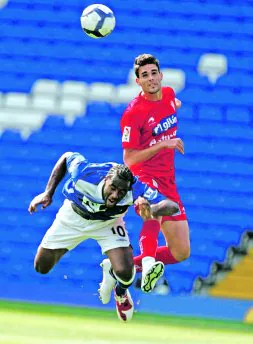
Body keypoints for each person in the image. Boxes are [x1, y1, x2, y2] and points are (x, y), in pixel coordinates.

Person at [28, 151, 179, 321]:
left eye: (121, 191)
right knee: (42, 267)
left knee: (125, 272)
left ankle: (120, 292)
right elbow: (66, 156)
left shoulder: (135, 187)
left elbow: (173, 206)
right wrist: (48, 193)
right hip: (72, 218)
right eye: (113, 188)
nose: (115, 195)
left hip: (108, 223)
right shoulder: (85, 173)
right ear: (106, 179)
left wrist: (151, 210)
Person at [119, 53, 191, 293]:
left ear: (160, 75)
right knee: (154, 211)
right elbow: (128, 160)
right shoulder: (133, 114)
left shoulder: (169, 95)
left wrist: (174, 106)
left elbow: (170, 105)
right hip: (143, 176)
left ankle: (120, 267)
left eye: (153, 73)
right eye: (144, 75)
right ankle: (149, 264)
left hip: (168, 180)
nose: (150, 79)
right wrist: (163, 144)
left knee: (181, 251)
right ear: (137, 81)